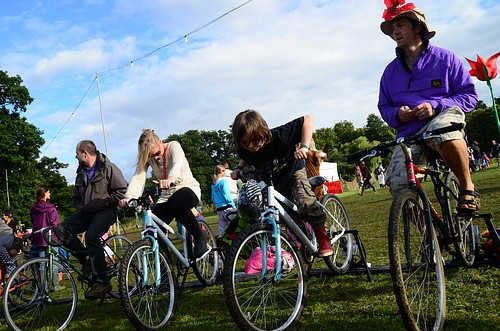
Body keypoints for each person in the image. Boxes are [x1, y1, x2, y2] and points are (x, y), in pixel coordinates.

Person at [378, 2, 480, 213]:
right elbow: (384, 107)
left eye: (400, 25)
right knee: (398, 184)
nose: (395, 31)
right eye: (392, 28)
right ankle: (429, 238)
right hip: (409, 134)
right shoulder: (389, 72)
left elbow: (469, 97)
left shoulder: (447, 59)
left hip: (441, 120)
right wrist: (397, 114)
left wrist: (436, 105)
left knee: (446, 132)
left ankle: (467, 188)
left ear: (417, 27)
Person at [230, 110, 333, 257]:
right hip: (274, 178)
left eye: (254, 140)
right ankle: (304, 239)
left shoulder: (279, 136)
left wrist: (304, 147)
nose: (251, 146)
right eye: (245, 142)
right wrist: (239, 168)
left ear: (262, 132)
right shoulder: (244, 149)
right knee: (286, 215)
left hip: (293, 170)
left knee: (305, 201)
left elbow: (307, 120)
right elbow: (247, 156)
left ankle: (323, 238)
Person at [118, 129, 208, 259]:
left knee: (178, 203)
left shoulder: (174, 146)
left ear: (161, 142)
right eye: (151, 156)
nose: (156, 158)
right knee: (153, 230)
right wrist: (129, 197)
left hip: (187, 187)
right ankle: (166, 270)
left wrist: (171, 178)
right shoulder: (148, 157)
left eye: (158, 153)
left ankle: (200, 236)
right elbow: (138, 177)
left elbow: (177, 163)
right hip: (166, 196)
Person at [55, 140, 127, 299]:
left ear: (85, 153)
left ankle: (101, 282)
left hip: (106, 211)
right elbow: (76, 196)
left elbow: (122, 191)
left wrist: (105, 203)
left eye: (77, 153)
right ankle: (86, 261)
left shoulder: (109, 168)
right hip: (86, 213)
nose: (76, 156)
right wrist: (82, 208)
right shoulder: (80, 172)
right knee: (60, 229)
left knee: (92, 236)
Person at [30, 185, 64, 290]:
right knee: (54, 260)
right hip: (50, 237)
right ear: (45, 194)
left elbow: (32, 220)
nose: (50, 194)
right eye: (48, 192)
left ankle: (42, 286)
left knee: (41, 263)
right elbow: (55, 224)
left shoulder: (34, 207)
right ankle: (55, 285)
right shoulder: (51, 208)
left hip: (38, 237)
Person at [211, 165, 236, 236]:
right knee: (234, 225)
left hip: (219, 209)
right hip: (227, 207)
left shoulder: (213, 183)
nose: (225, 172)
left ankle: (220, 243)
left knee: (221, 228)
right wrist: (232, 204)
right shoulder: (223, 181)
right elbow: (226, 195)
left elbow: (212, 197)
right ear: (221, 172)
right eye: (224, 171)